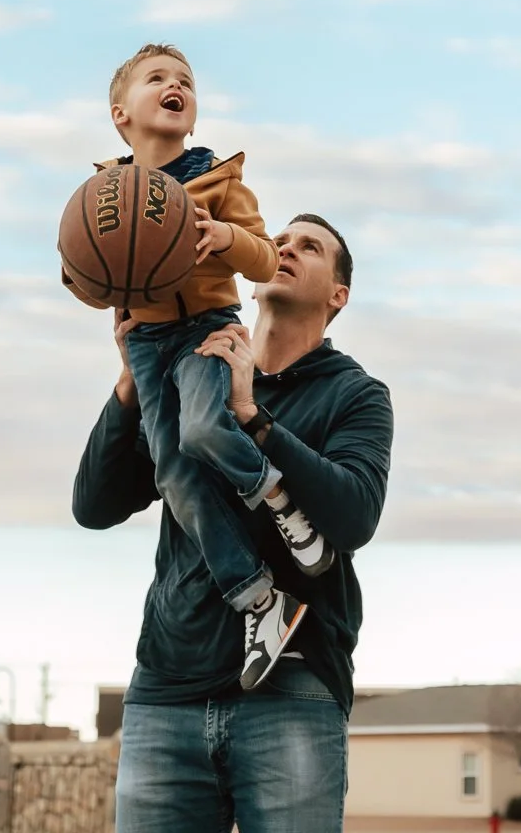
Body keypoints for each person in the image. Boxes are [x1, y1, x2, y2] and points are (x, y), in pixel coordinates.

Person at [73, 211, 393, 833]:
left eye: (309, 247)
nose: (286, 248)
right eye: (279, 241)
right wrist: (131, 382)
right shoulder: (193, 375)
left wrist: (252, 416)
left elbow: (354, 515)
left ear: (338, 295)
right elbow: (94, 505)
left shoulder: (355, 394)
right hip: (167, 688)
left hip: (291, 686)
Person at [62, 42, 330, 686]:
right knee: (176, 477)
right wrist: (84, 275)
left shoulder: (219, 179)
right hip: (146, 345)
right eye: (156, 78)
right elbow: (87, 272)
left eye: (184, 79)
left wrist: (223, 236)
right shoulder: (105, 194)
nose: (174, 85)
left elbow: (264, 258)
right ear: (121, 114)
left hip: (205, 332)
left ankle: (278, 498)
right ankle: (259, 600)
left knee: (205, 430)